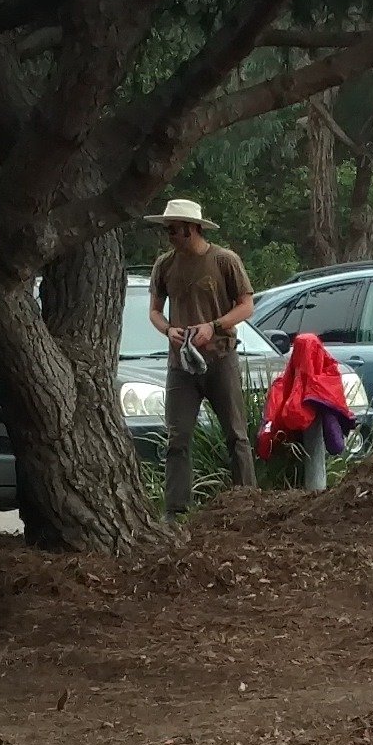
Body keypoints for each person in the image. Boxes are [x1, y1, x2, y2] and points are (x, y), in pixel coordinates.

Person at [144, 196, 256, 517]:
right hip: (181, 364)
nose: (169, 236)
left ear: (192, 229)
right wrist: (168, 330)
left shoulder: (225, 261)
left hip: (220, 358)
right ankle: (176, 511)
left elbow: (246, 305)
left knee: (236, 434)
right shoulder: (164, 265)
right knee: (177, 438)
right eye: (167, 230)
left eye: (174, 230)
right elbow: (154, 311)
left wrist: (215, 325)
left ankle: (247, 504)